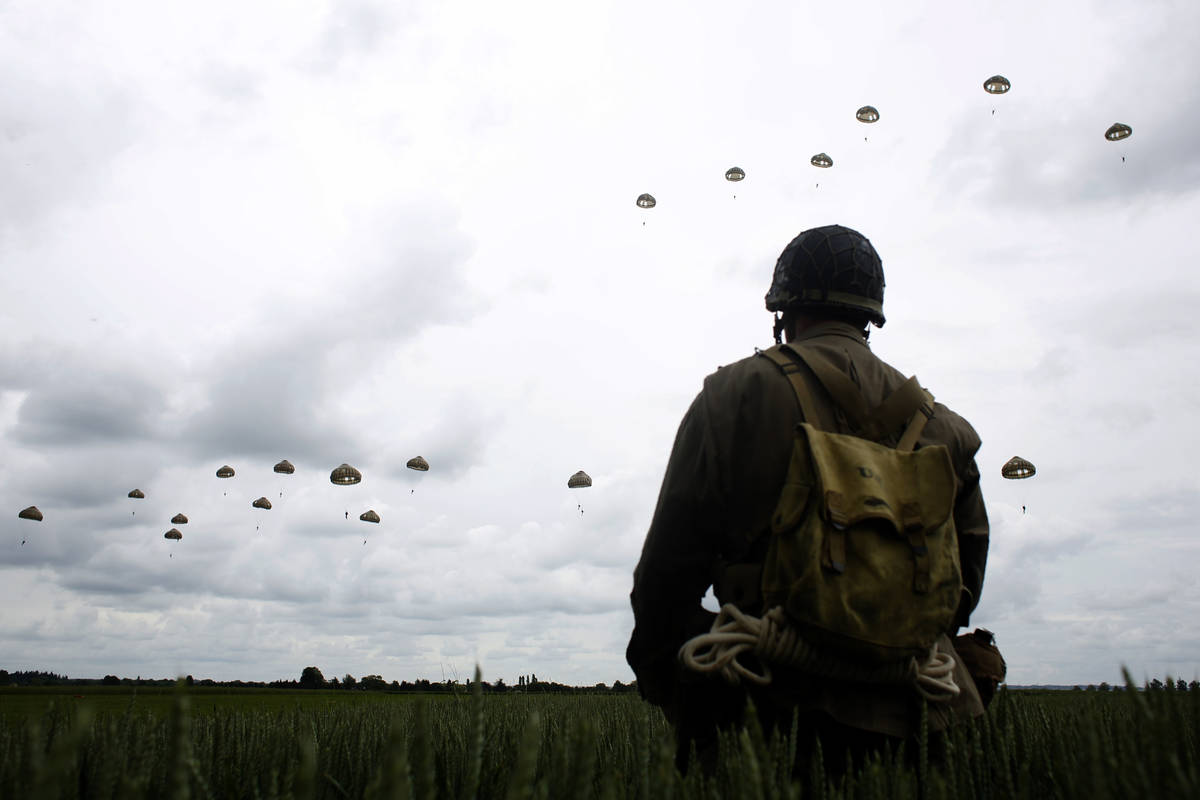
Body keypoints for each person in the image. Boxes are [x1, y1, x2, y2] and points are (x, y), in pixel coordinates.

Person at [626, 224, 992, 775]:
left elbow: (663, 584)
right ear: (870, 315)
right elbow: (961, 593)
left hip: (764, 717)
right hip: (922, 723)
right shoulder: (949, 431)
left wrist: (689, 704)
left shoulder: (735, 395)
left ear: (783, 310)